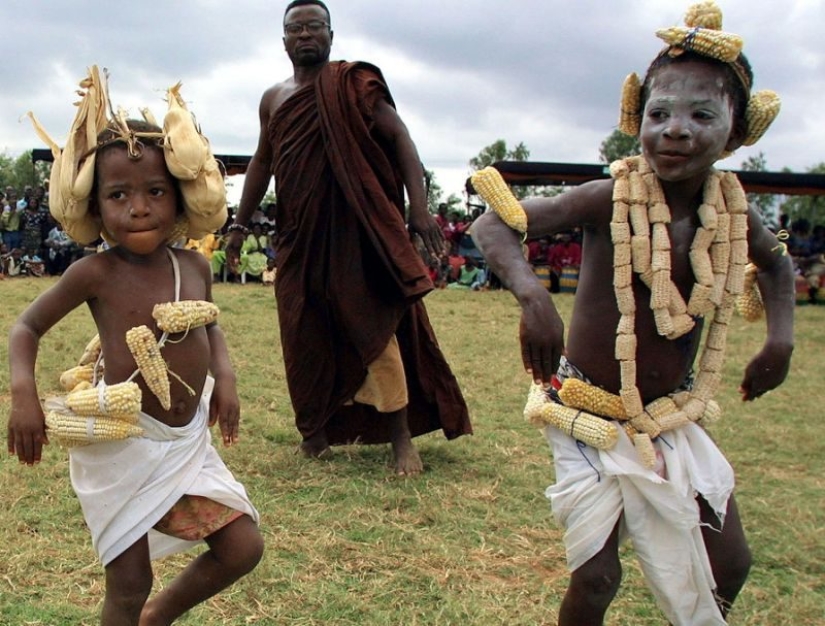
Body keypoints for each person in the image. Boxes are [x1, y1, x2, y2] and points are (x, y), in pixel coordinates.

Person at [471, 4, 794, 625]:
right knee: (596, 579)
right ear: (635, 120)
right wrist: (535, 298)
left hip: (668, 417)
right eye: (660, 113)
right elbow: (495, 222)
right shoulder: (609, 195)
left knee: (730, 563)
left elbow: (776, 267)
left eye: (702, 115)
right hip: (585, 407)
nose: (676, 129)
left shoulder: (732, 212)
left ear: (736, 132)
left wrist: (779, 341)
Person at [8, 68, 262, 625]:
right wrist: (23, 395)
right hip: (123, 444)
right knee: (128, 582)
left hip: (184, 441)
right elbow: (25, 328)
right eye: (118, 195)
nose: (139, 208)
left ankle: (158, 617)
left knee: (243, 546)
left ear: (180, 199)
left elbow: (210, 326)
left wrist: (227, 379)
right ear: (96, 208)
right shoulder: (94, 273)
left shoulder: (193, 265)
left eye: (155, 192)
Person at [226, 0, 471, 475]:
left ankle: (401, 436)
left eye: (315, 26)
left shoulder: (352, 86)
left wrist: (418, 210)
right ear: (283, 42)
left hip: (355, 233)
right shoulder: (274, 98)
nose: (305, 35)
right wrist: (239, 223)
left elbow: (401, 139)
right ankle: (314, 433)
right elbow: (262, 162)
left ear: (331, 36)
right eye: (295, 28)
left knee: (374, 329)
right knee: (303, 331)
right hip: (299, 236)